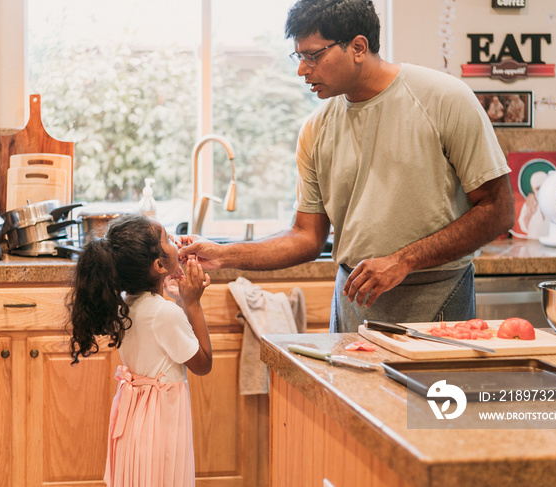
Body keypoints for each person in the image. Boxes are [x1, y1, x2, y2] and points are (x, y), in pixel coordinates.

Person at [179, 0, 514, 332]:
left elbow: (497, 211)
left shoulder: (444, 98)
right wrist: (224, 255)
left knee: (434, 389)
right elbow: (306, 236)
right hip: (354, 300)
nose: (302, 69)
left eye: (313, 55)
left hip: (437, 295)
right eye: (299, 56)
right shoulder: (316, 127)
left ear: (357, 47)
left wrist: (403, 260)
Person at [67, 214, 212, 487]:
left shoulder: (125, 304)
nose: (175, 242)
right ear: (159, 265)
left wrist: (178, 300)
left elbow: (158, 333)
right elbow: (203, 364)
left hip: (135, 425)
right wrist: (192, 304)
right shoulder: (165, 313)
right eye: (168, 239)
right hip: (161, 426)